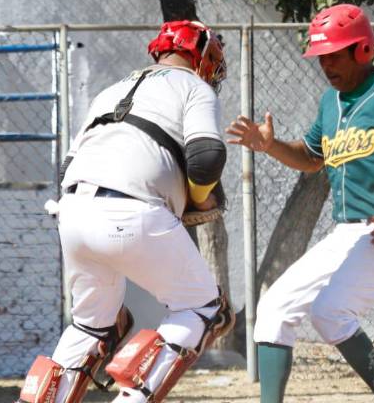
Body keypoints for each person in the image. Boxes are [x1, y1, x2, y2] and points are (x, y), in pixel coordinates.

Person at [227, 4, 374, 403]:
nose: (325, 64)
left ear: (362, 50)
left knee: (330, 312)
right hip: (349, 231)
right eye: (321, 56)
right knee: (274, 309)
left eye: (334, 54)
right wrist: (270, 145)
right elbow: (312, 157)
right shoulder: (331, 102)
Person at [17, 20, 234, 403]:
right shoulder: (194, 86)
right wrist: (197, 196)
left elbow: (67, 170)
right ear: (200, 57)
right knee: (203, 307)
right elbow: (206, 158)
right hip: (134, 212)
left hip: (74, 214)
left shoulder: (112, 90)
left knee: (90, 326)